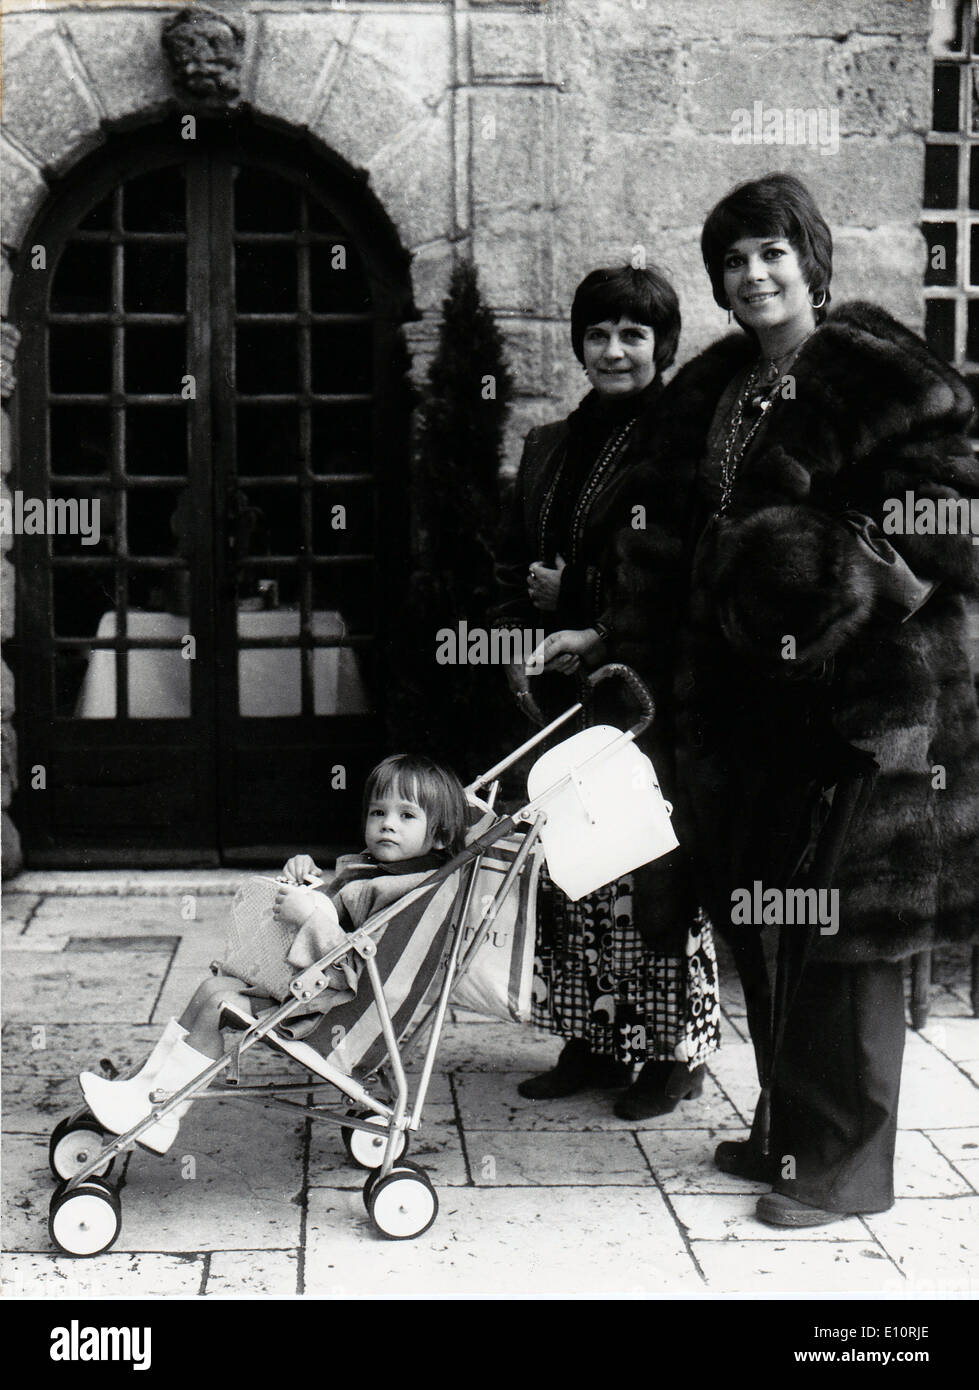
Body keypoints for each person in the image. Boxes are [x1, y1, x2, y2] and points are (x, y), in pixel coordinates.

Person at [589, 172, 979, 1225]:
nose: (753, 274)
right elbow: (667, 545)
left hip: (860, 707)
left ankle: (848, 1169)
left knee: (845, 934)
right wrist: (634, 655)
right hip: (737, 708)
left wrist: (813, 568)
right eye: (733, 259)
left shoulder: (886, 377)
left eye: (771, 251)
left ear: (811, 256)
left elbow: (952, 524)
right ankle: (788, 1134)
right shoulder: (713, 393)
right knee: (763, 923)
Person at [493, 266, 721, 1119]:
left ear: (662, 345)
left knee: (649, 868)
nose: (615, 350)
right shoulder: (549, 443)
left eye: (634, 334)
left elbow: (682, 567)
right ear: (579, 343)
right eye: (598, 333)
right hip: (563, 693)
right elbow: (511, 561)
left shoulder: (684, 444)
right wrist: (520, 637)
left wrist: (585, 611)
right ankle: (590, 1040)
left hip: (647, 689)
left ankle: (674, 1053)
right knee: (571, 865)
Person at [78, 754, 468, 1152]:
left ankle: (159, 1115)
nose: (387, 823)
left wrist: (310, 917)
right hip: (315, 993)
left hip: (334, 1019)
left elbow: (360, 963)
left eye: (407, 816)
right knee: (213, 989)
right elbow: (342, 916)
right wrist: (309, 884)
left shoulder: (410, 893)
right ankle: (142, 1088)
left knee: (220, 1006)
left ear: (438, 837)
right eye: (378, 812)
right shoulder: (384, 873)